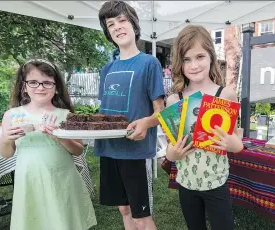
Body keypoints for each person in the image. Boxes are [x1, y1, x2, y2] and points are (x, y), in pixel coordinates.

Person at [0, 59, 96, 230]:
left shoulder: (66, 116)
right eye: (33, 82)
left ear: (56, 86)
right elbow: (6, 153)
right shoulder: (12, 116)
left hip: (62, 181)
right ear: (24, 86)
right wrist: (6, 139)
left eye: (47, 83)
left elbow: (78, 151)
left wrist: (61, 138)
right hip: (30, 182)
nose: (40, 87)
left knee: (63, 222)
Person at [165, 24, 244, 230]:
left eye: (199, 57)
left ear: (211, 56)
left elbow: (237, 145)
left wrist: (229, 142)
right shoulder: (175, 100)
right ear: (179, 63)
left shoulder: (225, 95)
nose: (194, 65)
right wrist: (173, 153)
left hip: (216, 184)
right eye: (186, 59)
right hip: (186, 184)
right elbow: (170, 151)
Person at [96, 1, 165, 230]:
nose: (117, 27)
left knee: (140, 216)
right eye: (111, 24)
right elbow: (104, 110)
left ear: (134, 25)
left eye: (122, 20)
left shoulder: (149, 63)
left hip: (136, 152)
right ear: (108, 32)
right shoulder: (106, 69)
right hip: (108, 149)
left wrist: (146, 122)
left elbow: (161, 112)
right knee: (124, 209)